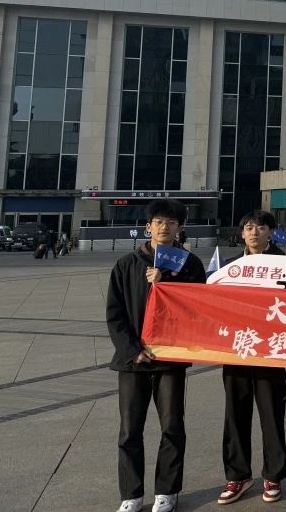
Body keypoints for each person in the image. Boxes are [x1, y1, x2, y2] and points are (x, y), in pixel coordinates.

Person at [106, 199, 205, 512]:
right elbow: (115, 313)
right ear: (148, 226)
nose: (165, 227)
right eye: (159, 222)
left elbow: (198, 306)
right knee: (129, 431)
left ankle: (167, 491)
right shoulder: (126, 264)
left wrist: (168, 282)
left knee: (172, 427)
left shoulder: (190, 264)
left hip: (170, 360)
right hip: (133, 361)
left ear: (180, 228)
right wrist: (132, 351)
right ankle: (131, 494)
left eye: (171, 222)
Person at [217, 210, 286, 505]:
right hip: (237, 350)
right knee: (235, 414)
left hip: (271, 350)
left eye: (260, 227)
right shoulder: (230, 267)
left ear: (271, 232)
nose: (254, 232)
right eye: (249, 228)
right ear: (242, 233)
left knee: (271, 412)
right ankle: (238, 475)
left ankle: (273, 474)